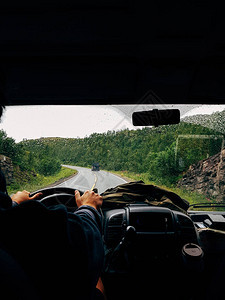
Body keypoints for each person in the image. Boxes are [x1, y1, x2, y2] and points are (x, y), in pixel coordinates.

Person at [0, 104, 105, 299]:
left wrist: (13, 204)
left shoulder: (9, 220)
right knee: (95, 277)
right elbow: (83, 244)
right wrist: (89, 209)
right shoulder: (27, 224)